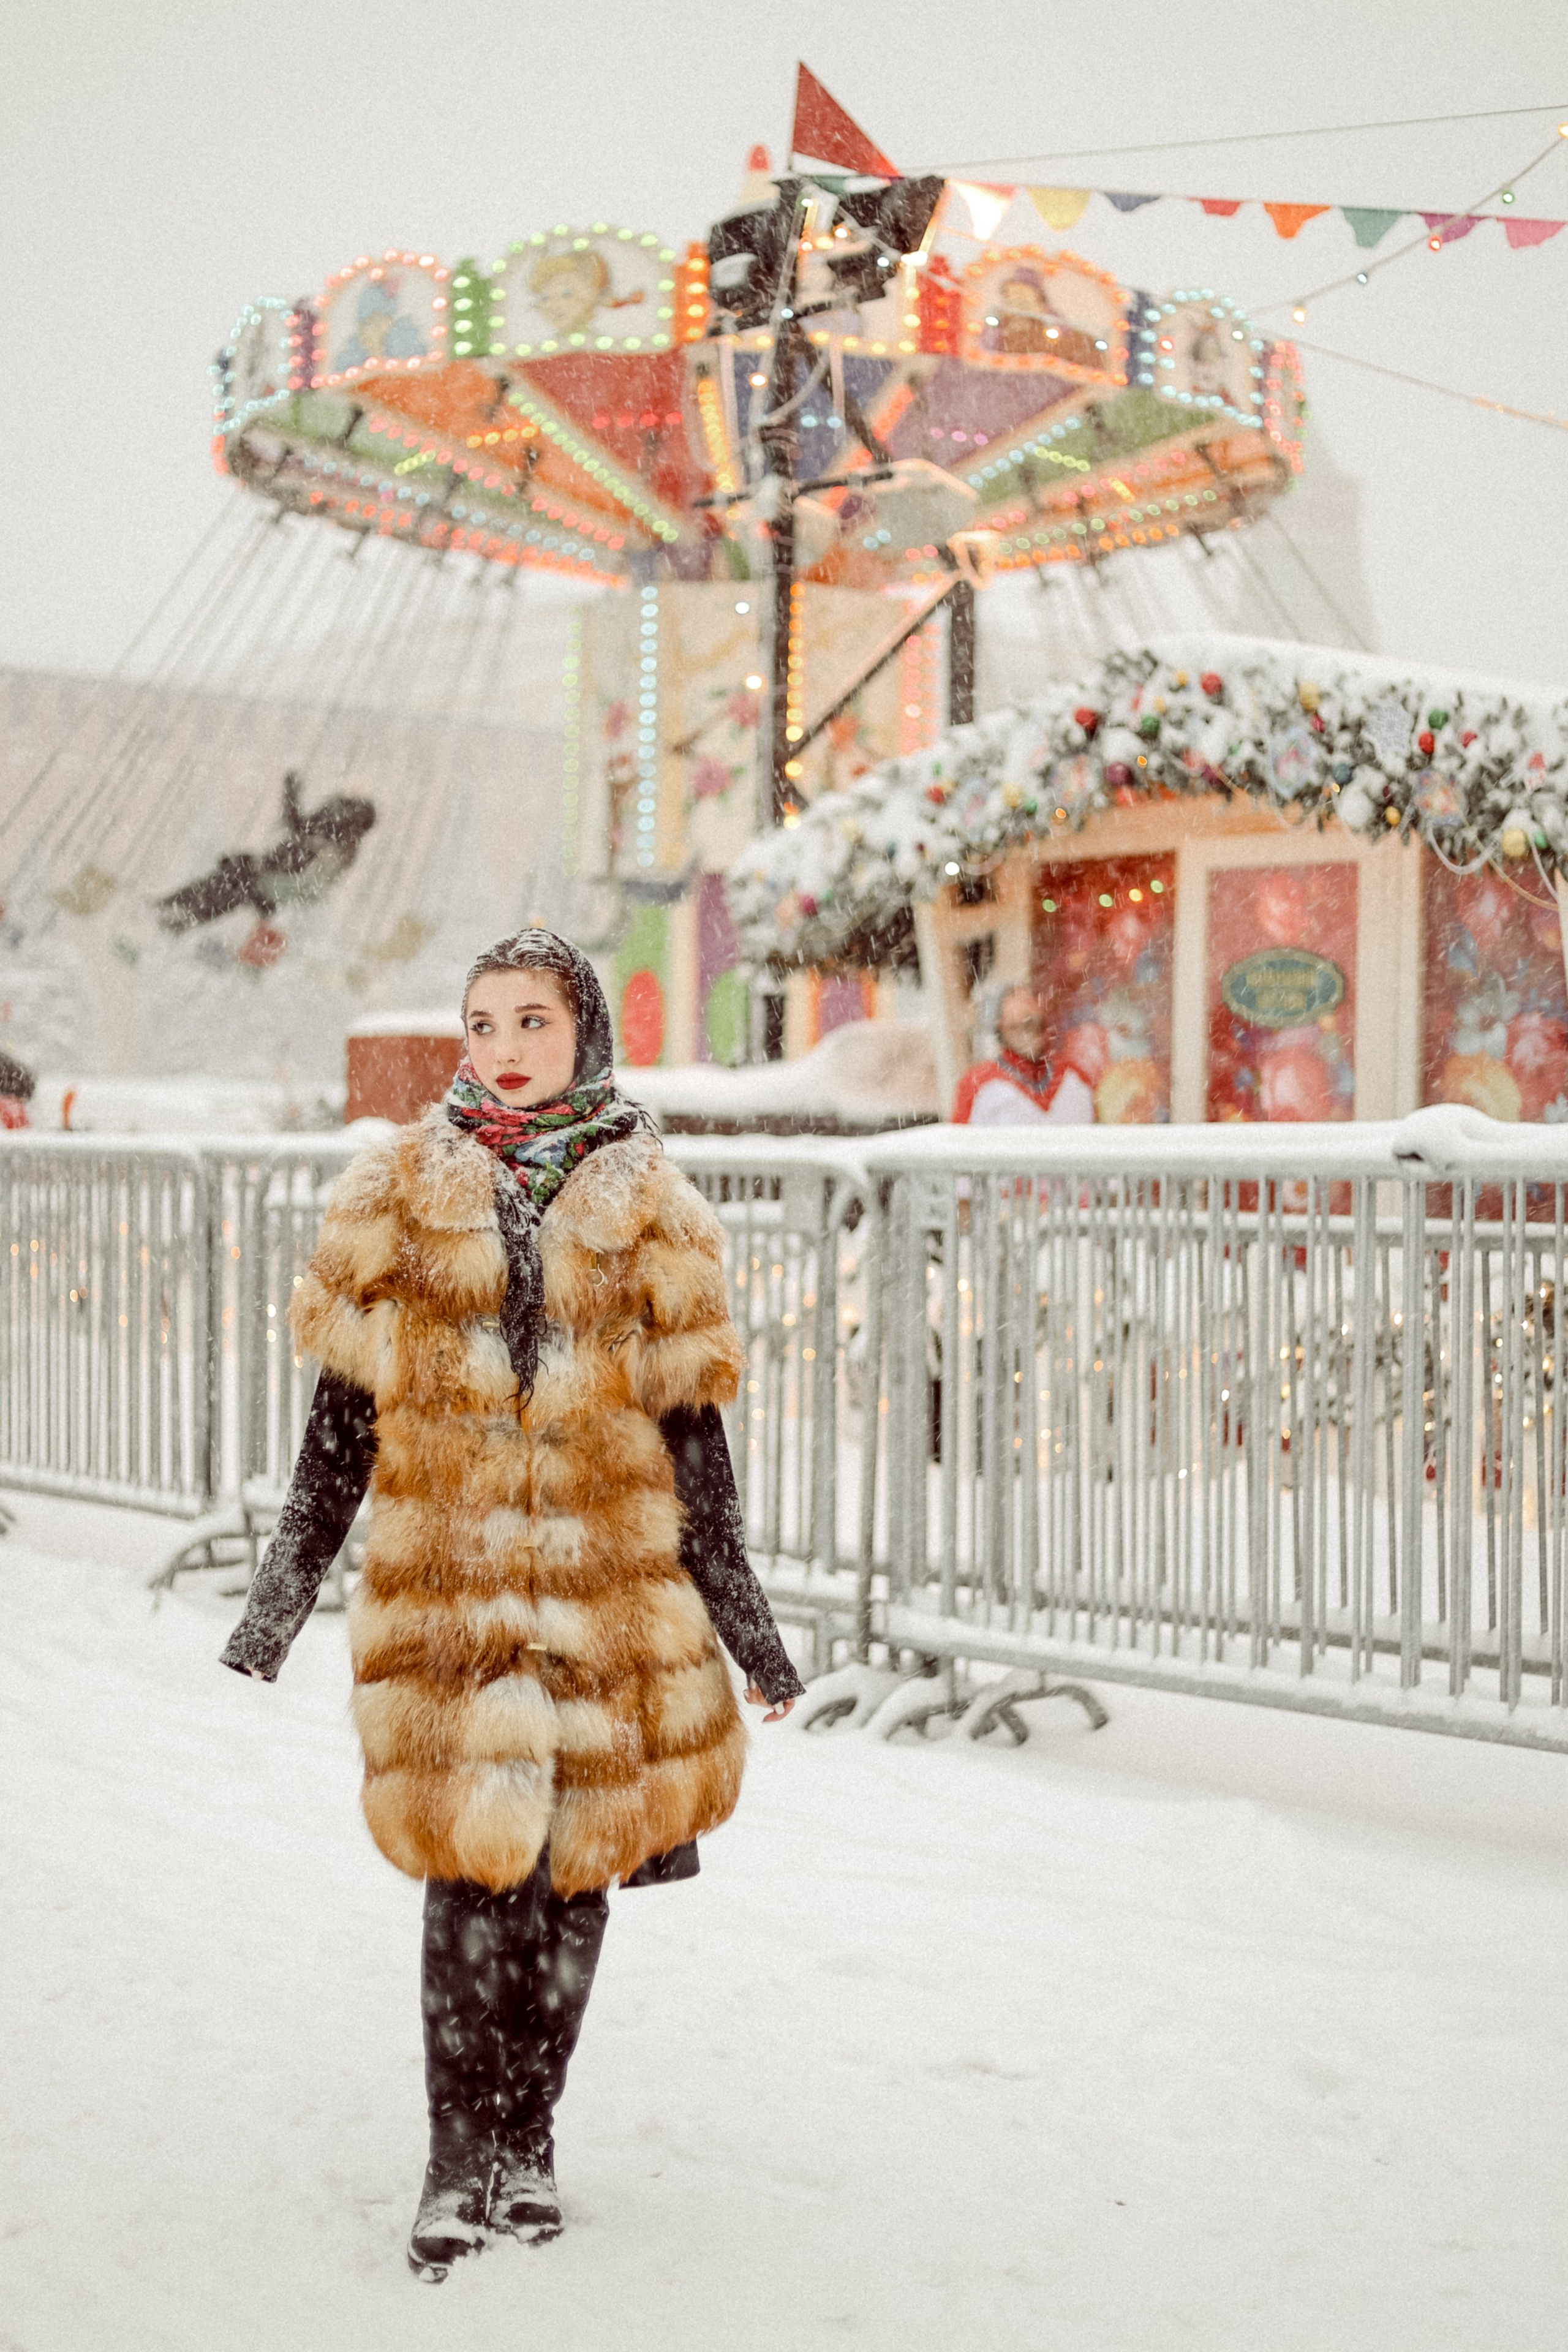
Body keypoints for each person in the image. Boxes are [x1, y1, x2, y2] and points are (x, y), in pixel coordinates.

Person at [221, 929, 804, 2281]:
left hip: (606, 1600)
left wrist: (748, 1630)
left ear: (582, 1032)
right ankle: (453, 2153)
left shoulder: (656, 1211)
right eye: (481, 1024)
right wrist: (279, 1595)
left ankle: (529, 2135)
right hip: (456, 1599)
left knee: (569, 1877)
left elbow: (696, 1451)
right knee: (469, 1875)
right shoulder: (398, 1201)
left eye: (529, 1022)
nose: (500, 1048)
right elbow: (340, 1427)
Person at [950, 983, 1096, 1128]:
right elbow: (958, 1144)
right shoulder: (978, 1084)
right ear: (1000, 1028)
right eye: (1019, 1027)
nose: (1030, 1036)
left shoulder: (1074, 1076)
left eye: (1035, 1025)